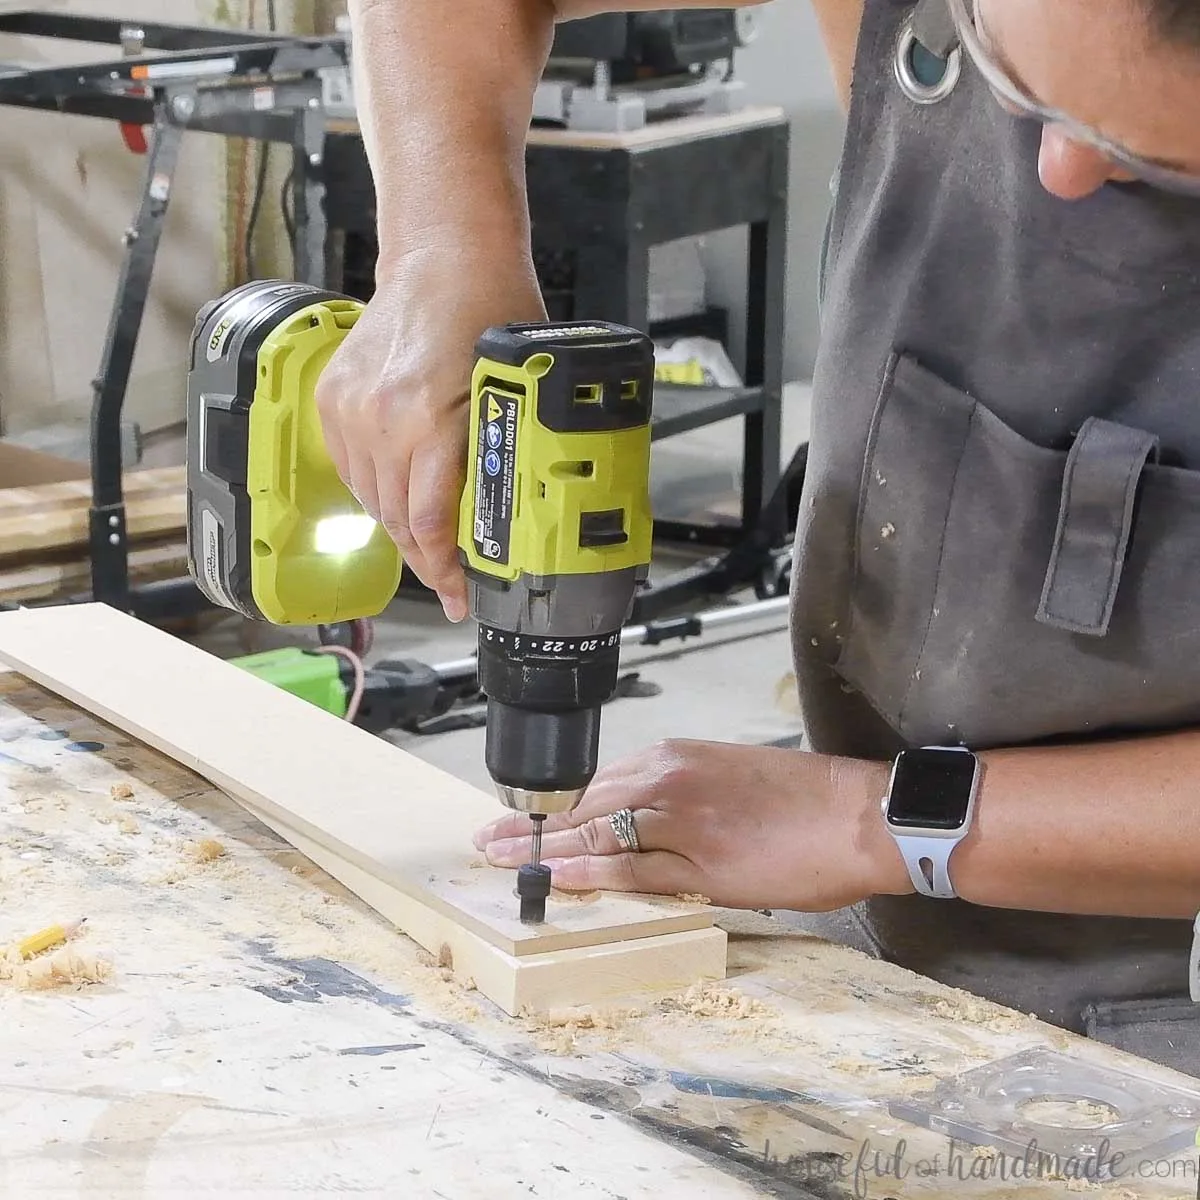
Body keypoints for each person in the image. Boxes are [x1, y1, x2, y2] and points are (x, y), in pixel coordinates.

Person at [317, 0, 1200, 1068]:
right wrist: (442, 244)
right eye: (1008, 74)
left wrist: (874, 823)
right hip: (878, 926)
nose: (1054, 168)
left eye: (1145, 162)